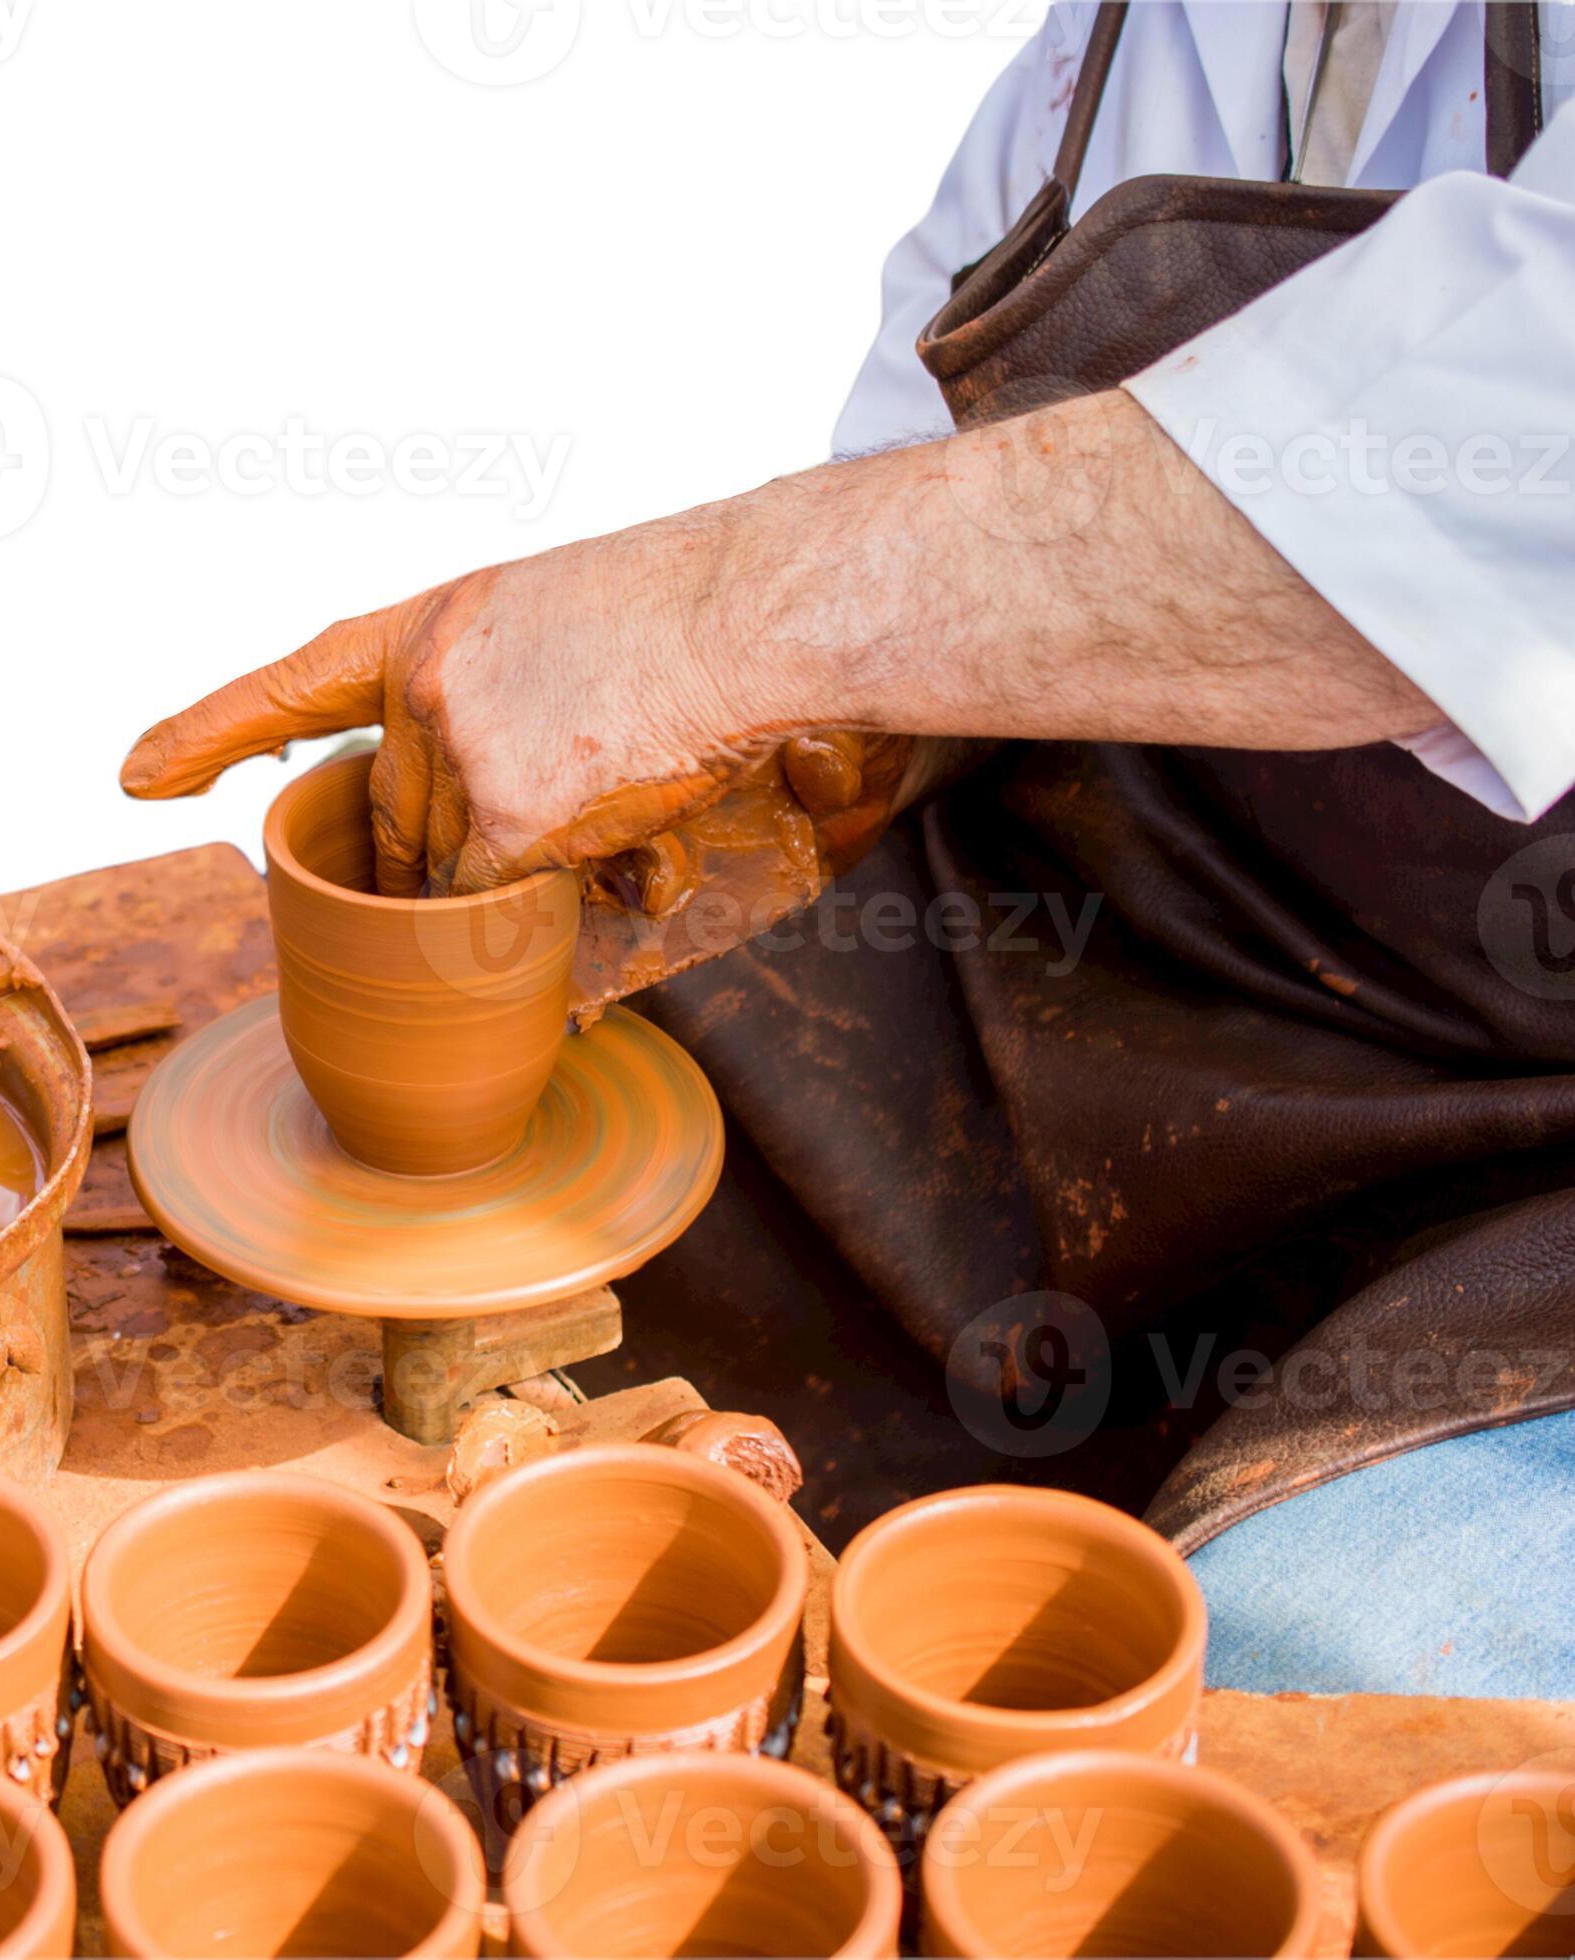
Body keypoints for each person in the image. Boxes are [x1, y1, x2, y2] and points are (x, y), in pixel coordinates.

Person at [123, 1, 1574, 1698]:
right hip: (1140, 966)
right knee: (422, 1306)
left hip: (1531, 1159)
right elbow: (930, 520)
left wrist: (716, 616)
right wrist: (734, 757)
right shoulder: (1138, 33)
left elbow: (1515, 471)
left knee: (1298, 1687)